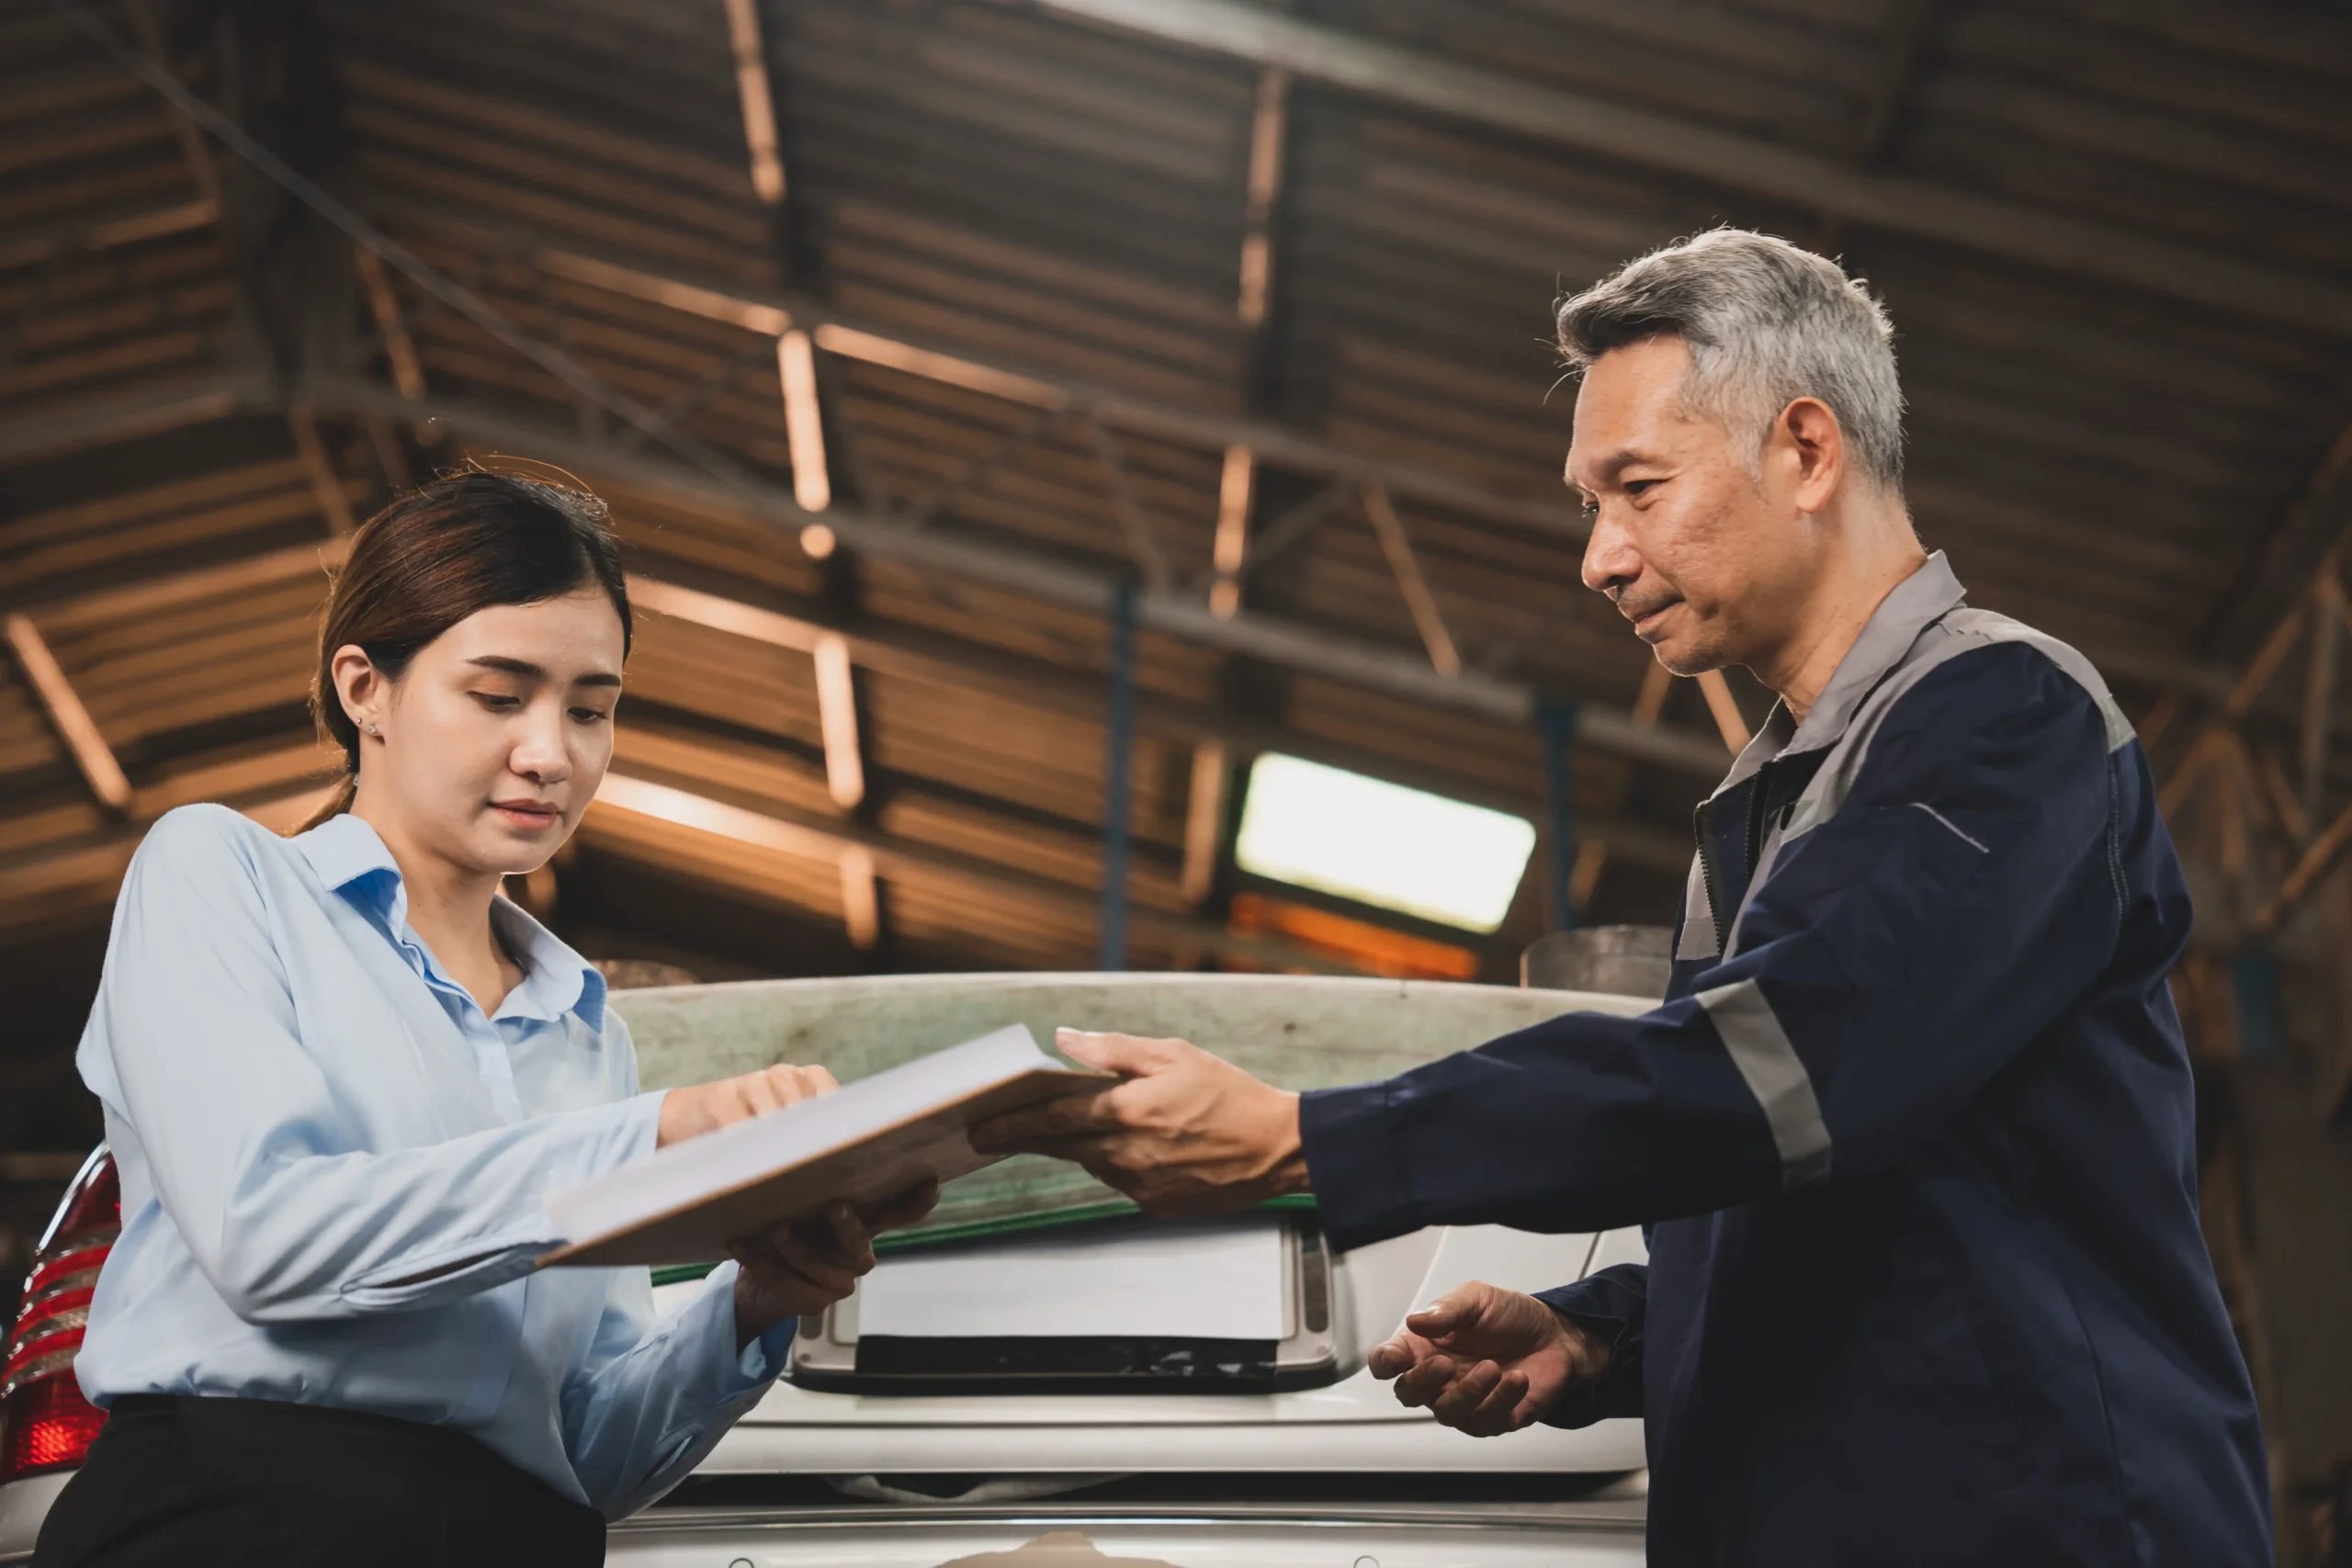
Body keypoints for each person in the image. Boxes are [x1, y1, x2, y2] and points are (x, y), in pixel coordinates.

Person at [977, 231, 2272, 1565]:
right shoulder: (1776, 798)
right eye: (1592, 504)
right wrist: (1600, 1334)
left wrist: (1311, 1137)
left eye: (1637, 488)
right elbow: (1835, 1213)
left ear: (1807, 450)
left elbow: (1783, 1076)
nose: (1599, 557)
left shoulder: (2006, 718)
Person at [35, 472, 934, 1568]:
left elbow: (587, 1452)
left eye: (591, 710)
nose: (553, 754)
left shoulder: (586, 1034)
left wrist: (751, 1307)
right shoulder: (217, 876)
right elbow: (263, 1235)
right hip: (237, 1526)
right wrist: (647, 1145)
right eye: (501, 696)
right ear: (364, 687)